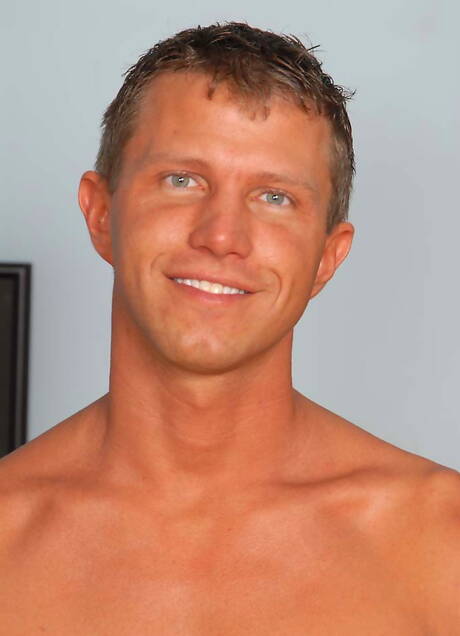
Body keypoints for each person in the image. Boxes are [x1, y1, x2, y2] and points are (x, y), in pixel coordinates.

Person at [0, 21, 458, 634]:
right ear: (101, 212)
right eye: (182, 180)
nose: (221, 236)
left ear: (327, 258)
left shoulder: (440, 542)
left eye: (274, 197)